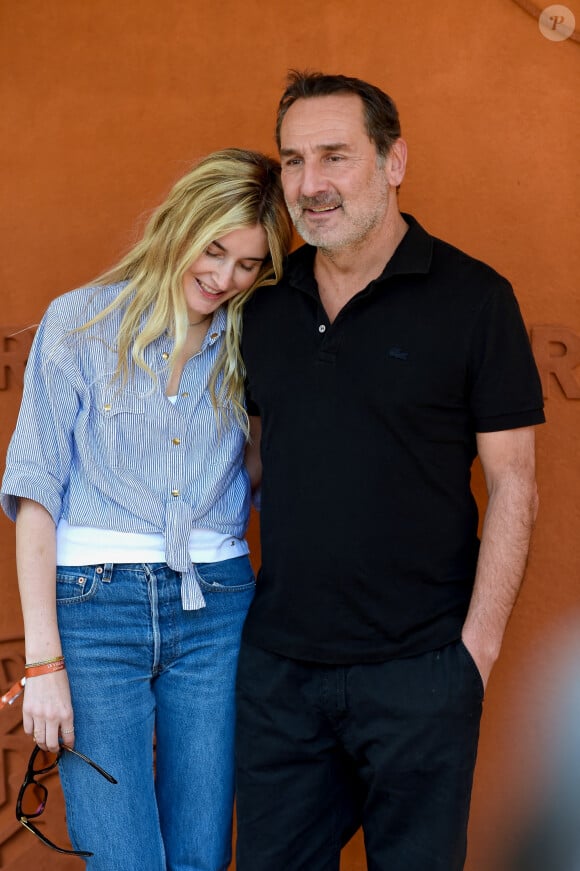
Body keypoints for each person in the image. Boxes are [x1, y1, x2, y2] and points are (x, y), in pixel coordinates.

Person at [235, 71, 545, 871]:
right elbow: (253, 460)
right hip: (281, 675)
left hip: (422, 672)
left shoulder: (476, 299)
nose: (310, 184)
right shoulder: (262, 304)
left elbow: (514, 481)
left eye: (335, 156)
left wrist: (475, 654)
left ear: (394, 160)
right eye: (294, 160)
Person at [0, 147, 293, 870]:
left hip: (219, 607)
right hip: (94, 612)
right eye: (215, 249)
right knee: (124, 858)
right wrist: (44, 663)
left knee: (200, 856)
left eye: (248, 264)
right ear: (179, 226)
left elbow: (261, 470)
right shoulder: (79, 324)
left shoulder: (251, 340)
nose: (224, 277)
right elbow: (35, 493)